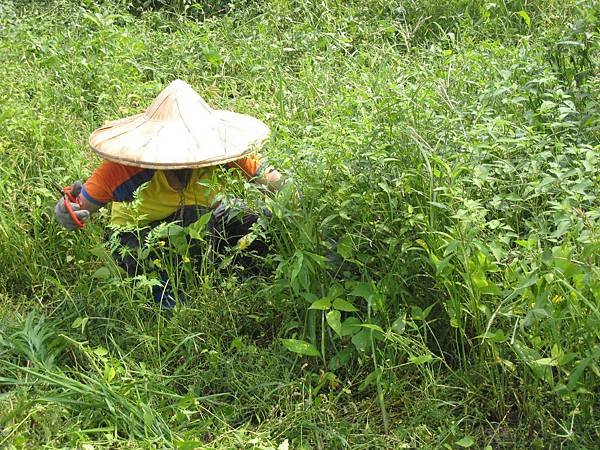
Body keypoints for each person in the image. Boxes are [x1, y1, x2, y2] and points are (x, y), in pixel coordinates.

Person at [54, 79, 283, 305]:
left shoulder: (223, 154)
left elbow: (274, 181)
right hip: (140, 239)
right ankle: (169, 299)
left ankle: (242, 282)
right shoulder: (125, 167)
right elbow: (79, 208)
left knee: (260, 217)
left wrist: (296, 199)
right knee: (192, 222)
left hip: (208, 224)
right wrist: (67, 213)